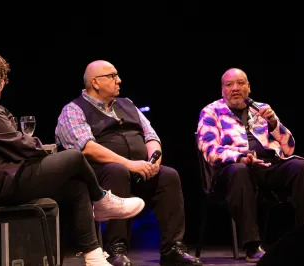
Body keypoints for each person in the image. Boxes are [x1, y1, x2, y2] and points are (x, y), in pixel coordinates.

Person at [0, 52, 146, 266]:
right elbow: (18, 143)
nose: (4, 82)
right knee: (74, 158)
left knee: (76, 186)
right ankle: (102, 200)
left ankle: (94, 256)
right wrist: (42, 150)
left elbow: (5, 142)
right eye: (2, 77)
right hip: (0, 185)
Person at [55, 60, 202, 266]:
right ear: (95, 83)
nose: (119, 80)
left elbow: (151, 136)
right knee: (117, 171)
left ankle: (172, 249)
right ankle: (116, 249)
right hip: (96, 178)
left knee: (168, 175)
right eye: (113, 76)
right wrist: (129, 164)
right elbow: (87, 147)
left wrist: (154, 161)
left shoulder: (127, 104)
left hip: (137, 170)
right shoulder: (74, 110)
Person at [196, 68, 304, 263]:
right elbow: (209, 150)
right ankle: (252, 246)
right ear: (222, 90)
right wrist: (240, 157)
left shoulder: (261, 108)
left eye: (241, 83)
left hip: (267, 167)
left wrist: (273, 123)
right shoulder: (211, 112)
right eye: (229, 85)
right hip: (231, 172)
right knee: (240, 170)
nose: (235, 88)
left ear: (248, 87)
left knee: (302, 168)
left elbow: (289, 148)